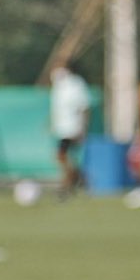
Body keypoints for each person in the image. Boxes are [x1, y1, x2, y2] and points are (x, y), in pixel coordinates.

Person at [49, 62, 90, 196]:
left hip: (72, 127)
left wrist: (83, 127)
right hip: (63, 128)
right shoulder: (60, 85)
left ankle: (67, 185)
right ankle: (78, 180)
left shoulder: (77, 84)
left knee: (61, 155)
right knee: (66, 157)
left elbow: (84, 107)